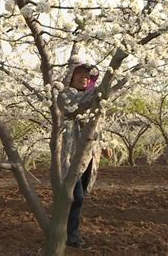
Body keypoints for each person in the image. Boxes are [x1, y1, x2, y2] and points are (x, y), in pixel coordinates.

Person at [59, 60, 102, 249]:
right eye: (80, 75)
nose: (84, 78)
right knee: (75, 196)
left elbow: (96, 123)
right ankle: (71, 236)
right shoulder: (66, 95)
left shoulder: (91, 98)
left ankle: (67, 230)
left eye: (87, 76)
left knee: (80, 195)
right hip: (72, 154)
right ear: (71, 77)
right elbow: (77, 108)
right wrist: (99, 92)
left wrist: (104, 143)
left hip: (88, 155)